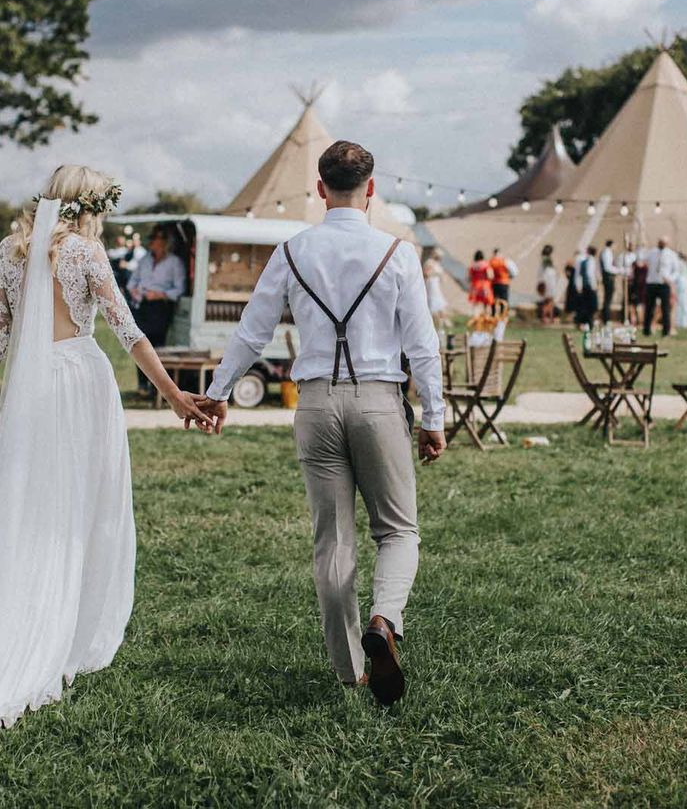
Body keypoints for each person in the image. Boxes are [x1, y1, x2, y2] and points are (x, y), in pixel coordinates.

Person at [195, 140, 446, 707]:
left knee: (333, 540)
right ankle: (384, 620)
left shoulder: (291, 251)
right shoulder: (398, 253)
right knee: (398, 529)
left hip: (313, 404)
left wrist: (217, 392)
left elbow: (251, 332)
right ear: (372, 190)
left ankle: (350, 669)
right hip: (379, 400)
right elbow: (423, 347)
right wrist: (434, 416)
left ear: (319, 188)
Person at [0, 166, 212, 728]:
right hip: (80, 384)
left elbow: (2, 335)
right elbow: (129, 330)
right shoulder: (86, 255)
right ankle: (67, 623)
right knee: (86, 506)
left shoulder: (8, 252)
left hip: (28, 386)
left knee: (28, 503)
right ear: (89, 206)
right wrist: (172, 395)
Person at [127, 226, 186, 395]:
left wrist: (160, 294)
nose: (152, 241)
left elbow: (179, 290)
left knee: (157, 347)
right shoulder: (145, 260)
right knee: (139, 344)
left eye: (156, 238)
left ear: (165, 241)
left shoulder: (175, 262)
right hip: (142, 305)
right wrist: (135, 291)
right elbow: (132, 282)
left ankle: (156, 387)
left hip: (161, 307)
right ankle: (142, 385)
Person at [640, 236, 679, 337]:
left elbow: (676, 271)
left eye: (663, 242)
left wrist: (669, 279)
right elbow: (641, 258)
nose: (661, 244)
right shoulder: (652, 252)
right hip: (652, 283)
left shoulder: (671, 255)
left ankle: (666, 331)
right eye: (660, 242)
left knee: (665, 308)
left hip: (664, 284)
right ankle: (646, 330)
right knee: (649, 308)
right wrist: (641, 247)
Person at [573, 246, 599, 328]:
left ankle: (585, 322)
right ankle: (589, 323)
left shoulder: (584, 261)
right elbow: (590, 274)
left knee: (585, 306)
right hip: (589, 287)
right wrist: (593, 285)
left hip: (585, 286)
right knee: (591, 307)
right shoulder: (591, 261)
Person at [423, 248, 449, 330]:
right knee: (434, 304)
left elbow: (442, 275)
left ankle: (442, 324)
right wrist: (435, 274)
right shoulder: (429, 262)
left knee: (440, 304)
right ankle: (437, 324)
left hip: (436, 284)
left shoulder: (437, 264)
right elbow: (426, 274)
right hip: (431, 284)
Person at [488, 248, 516, 315]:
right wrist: (509, 277)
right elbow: (514, 272)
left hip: (494, 283)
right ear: (500, 254)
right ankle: (503, 315)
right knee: (504, 300)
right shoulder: (506, 261)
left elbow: (488, 273)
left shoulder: (490, 262)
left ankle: (493, 314)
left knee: (493, 300)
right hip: (504, 283)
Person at [599, 239, 620, 324]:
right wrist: (619, 270)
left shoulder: (607, 252)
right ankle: (606, 318)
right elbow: (607, 267)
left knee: (608, 298)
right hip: (608, 278)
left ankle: (606, 317)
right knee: (608, 298)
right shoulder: (607, 253)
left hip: (608, 277)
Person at [536, 244, 559, 324]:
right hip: (549, 281)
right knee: (548, 301)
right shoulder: (546, 260)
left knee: (549, 301)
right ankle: (546, 317)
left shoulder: (544, 260)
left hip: (548, 281)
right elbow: (546, 272)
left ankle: (549, 317)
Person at [467, 250, 494, 315]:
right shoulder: (486, 264)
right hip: (484, 286)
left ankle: (475, 317)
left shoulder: (473, 266)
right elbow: (490, 276)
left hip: (475, 286)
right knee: (486, 302)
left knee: (476, 302)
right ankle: (486, 317)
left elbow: (469, 277)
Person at [674, 253, 687, 330]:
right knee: (682, 303)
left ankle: (684, 323)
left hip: (682, 285)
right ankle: (682, 322)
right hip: (683, 284)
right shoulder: (683, 264)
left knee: (683, 303)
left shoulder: (679, 263)